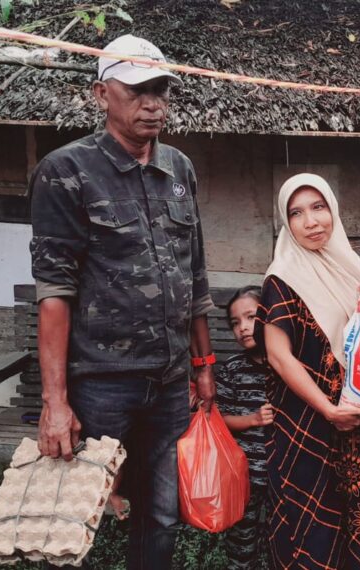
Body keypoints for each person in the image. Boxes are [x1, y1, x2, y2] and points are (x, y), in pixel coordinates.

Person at [29, 34, 216, 569]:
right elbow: (54, 292)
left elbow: (194, 274)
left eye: (160, 91)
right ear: (101, 94)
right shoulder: (67, 171)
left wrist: (203, 364)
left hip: (169, 382)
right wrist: (55, 402)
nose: (152, 104)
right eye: (137, 91)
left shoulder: (179, 169)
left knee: (161, 514)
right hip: (102, 384)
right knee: (75, 510)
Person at [255, 173, 360, 570]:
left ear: (334, 210)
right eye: (296, 213)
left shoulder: (352, 270)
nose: (310, 222)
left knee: (359, 520)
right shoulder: (282, 279)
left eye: (318, 207)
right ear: (286, 222)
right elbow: (279, 357)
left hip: (355, 421)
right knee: (310, 525)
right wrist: (328, 411)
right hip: (306, 424)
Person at [216, 286, 275, 570]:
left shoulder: (287, 365)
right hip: (243, 476)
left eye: (251, 317)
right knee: (241, 541)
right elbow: (219, 419)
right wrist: (253, 419)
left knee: (283, 539)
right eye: (235, 322)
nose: (243, 327)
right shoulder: (232, 369)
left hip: (282, 475)